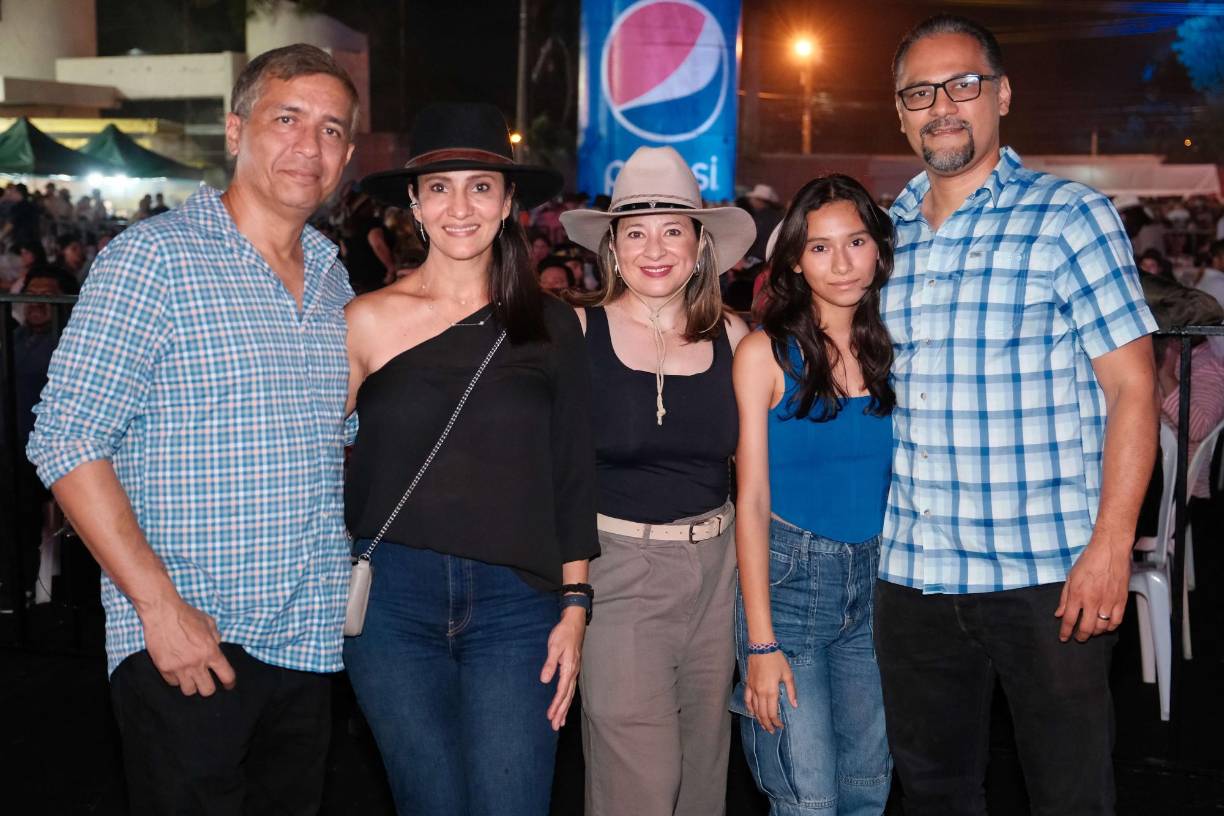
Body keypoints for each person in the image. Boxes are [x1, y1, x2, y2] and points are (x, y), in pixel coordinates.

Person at [26, 44, 359, 814]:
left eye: (334, 129)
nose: (311, 146)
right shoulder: (153, 261)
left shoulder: (335, 274)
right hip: (191, 640)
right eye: (289, 119)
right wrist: (159, 610)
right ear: (236, 131)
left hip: (308, 641)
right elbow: (67, 436)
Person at [877, 15, 1158, 815]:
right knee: (934, 796)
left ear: (1003, 94)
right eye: (920, 92)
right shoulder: (882, 239)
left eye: (963, 84)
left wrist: (1111, 547)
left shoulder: (1070, 216)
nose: (942, 107)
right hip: (913, 575)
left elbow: (1133, 388)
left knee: (1069, 795)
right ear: (899, 112)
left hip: (1047, 575)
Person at [344, 102, 598, 816]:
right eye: (441, 187)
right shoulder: (363, 322)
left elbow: (574, 476)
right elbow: (311, 461)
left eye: (481, 186)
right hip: (391, 604)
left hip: (521, 608)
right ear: (416, 207)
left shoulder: (552, 325)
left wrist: (576, 609)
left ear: (509, 202)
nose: (461, 205)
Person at [559, 145, 754, 816]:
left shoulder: (735, 334)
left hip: (719, 567)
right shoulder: (574, 332)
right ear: (611, 248)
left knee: (703, 779)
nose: (654, 248)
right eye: (634, 232)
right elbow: (554, 477)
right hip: (620, 572)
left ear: (701, 245)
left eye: (673, 229)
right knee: (639, 785)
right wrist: (573, 594)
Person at [731, 174, 894, 815]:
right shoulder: (764, 354)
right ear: (796, 260)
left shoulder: (892, 348)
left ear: (878, 249)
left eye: (855, 241)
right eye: (821, 247)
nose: (842, 262)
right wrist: (761, 645)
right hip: (789, 590)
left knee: (867, 793)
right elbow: (749, 499)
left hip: (879, 590)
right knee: (807, 801)